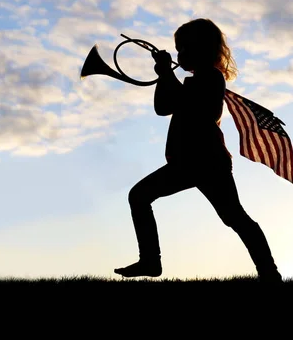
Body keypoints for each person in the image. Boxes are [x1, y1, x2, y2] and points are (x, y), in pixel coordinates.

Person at [114, 18, 283, 283]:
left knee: (234, 218)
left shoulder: (211, 78)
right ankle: (269, 274)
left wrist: (166, 74)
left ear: (201, 49)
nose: (179, 55)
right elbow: (163, 106)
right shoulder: (194, 81)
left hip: (204, 161)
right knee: (234, 217)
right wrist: (163, 74)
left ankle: (269, 273)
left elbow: (184, 103)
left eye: (183, 49)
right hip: (192, 161)